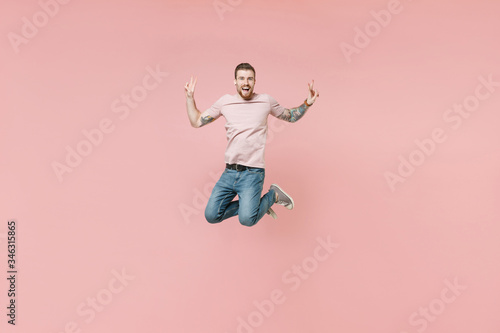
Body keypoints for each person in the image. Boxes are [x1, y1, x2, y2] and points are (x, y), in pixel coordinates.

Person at [184, 63, 319, 227]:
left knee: (247, 219)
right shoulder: (225, 102)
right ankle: (255, 205)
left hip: (253, 173)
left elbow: (290, 116)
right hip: (229, 172)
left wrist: (308, 103)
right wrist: (190, 98)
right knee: (212, 215)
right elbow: (197, 121)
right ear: (235, 81)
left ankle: (272, 196)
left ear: (255, 81)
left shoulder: (265, 101)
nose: (245, 82)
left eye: (249, 78)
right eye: (241, 78)